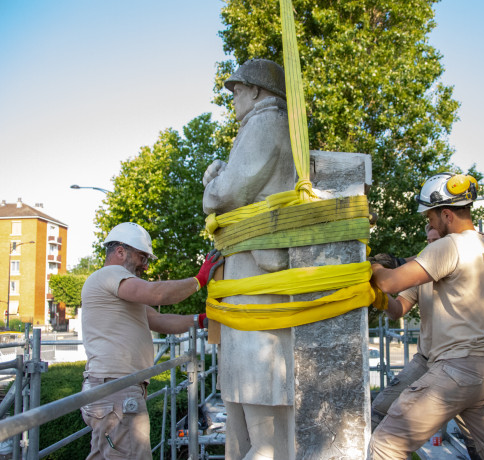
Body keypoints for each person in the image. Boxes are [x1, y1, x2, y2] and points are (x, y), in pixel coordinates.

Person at [369, 173, 484, 460]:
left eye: (431, 218)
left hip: (455, 371)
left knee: (386, 444)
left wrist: (373, 267)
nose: (429, 224)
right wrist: (383, 291)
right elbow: (399, 301)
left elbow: (389, 282)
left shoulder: (450, 246)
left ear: (447, 214)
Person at [202, 59, 297, 459]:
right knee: (245, 411)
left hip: (257, 275)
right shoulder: (261, 126)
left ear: (257, 91)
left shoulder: (265, 123)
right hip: (250, 273)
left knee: (264, 421)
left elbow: (227, 195)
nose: (234, 98)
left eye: (237, 90)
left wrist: (212, 184)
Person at [80, 222, 221, 460]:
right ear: (120, 251)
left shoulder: (117, 291)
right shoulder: (110, 274)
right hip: (117, 391)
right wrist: (199, 279)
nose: (145, 266)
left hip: (111, 391)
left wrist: (202, 320)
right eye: (142, 257)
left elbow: (158, 320)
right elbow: (157, 294)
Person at [369, 226, 482, 460]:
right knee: (380, 411)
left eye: (436, 240)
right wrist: (379, 298)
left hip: (458, 362)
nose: (431, 246)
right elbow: (398, 309)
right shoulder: (422, 273)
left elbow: (389, 281)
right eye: (428, 241)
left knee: (477, 440)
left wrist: (376, 268)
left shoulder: (465, 268)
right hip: (426, 360)